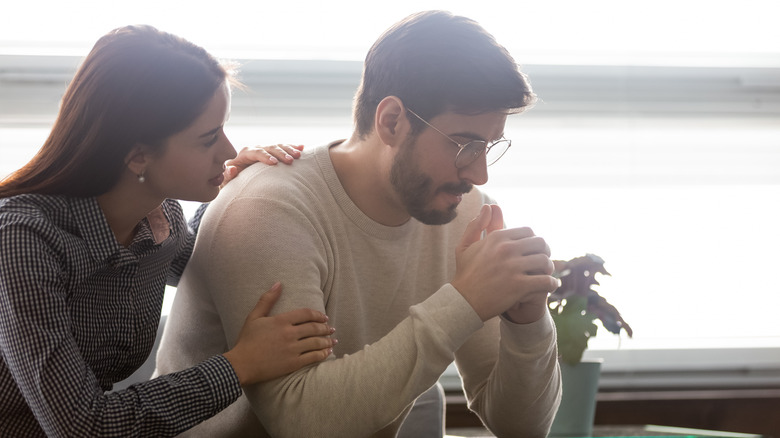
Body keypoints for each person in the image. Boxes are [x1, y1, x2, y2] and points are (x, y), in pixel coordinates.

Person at [157, 10, 562, 438]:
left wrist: (528, 324)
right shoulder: (268, 210)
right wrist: (464, 302)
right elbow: (299, 421)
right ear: (392, 121)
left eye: (489, 146)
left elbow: (521, 428)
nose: (479, 174)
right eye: (465, 145)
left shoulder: (461, 211)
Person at [0, 25, 337, 437]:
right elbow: (85, 427)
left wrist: (240, 190)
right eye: (208, 138)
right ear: (138, 155)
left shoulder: (161, 219)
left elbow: (204, 264)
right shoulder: (22, 240)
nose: (230, 150)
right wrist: (240, 365)